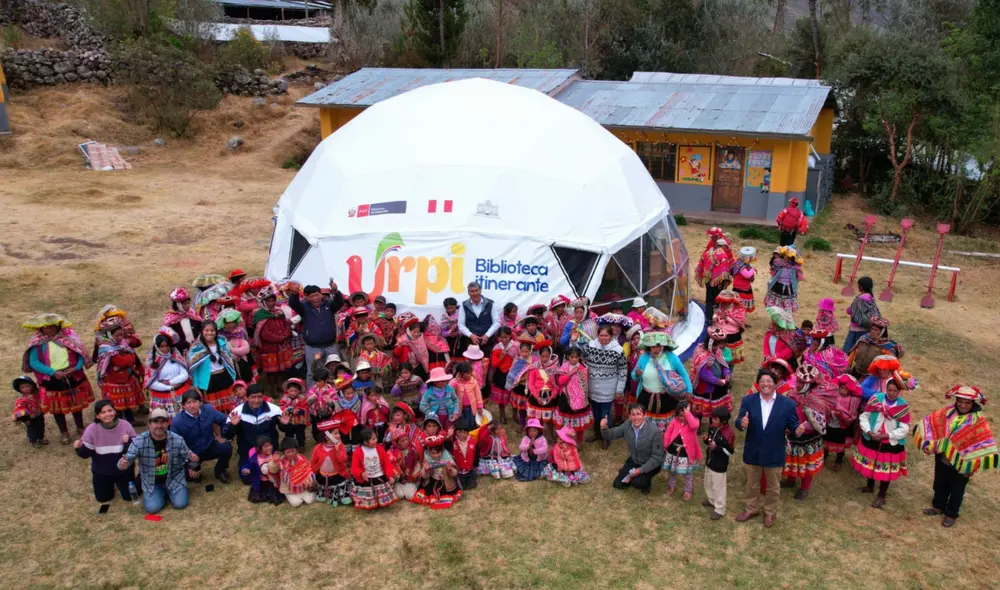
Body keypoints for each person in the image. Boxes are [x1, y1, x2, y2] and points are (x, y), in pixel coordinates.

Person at [914, 385, 998, 528]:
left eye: (967, 403)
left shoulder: (978, 421)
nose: (963, 405)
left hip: (963, 463)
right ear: (956, 400)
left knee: (957, 489)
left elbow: (982, 444)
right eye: (960, 401)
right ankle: (938, 505)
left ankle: (951, 514)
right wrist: (929, 444)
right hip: (943, 458)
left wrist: (972, 466)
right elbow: (931, 424)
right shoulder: (947, 413)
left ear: (973, 404)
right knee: (939, 483)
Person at [735, 370, 806, 528]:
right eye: (762, 381)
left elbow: (793, 425)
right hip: (753, 450)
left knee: (773, 486)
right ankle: (751, 508)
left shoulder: (787, 404)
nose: (765, 384)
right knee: (752, 483)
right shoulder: (748, 400)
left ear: (775, 384)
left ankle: (770, 512)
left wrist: (798, 430)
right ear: (758, 383)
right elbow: (739, 420)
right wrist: (741, 423)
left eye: (769, 381)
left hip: (774, 452)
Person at [22, 313, 94, 444]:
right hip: (52, 379)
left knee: (76, 404)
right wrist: (53, 372)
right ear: (41, 328)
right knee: (57, 408)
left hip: (72, 375)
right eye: (46, 327)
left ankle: (80, 427)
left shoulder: (69, 339)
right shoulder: (38, 343)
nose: (49, 329)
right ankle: (64, 432)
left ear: (58, 326)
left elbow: (80, 355)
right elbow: (34, 362)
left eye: (52, 326)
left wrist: (76, 368)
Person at [119, 408, 199, 514]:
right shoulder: (139, 441)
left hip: (174, 479)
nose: (159, 425)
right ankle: (160, 494)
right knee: (152, 509)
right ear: (149, 424)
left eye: (163, 422)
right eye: (156, 422)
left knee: (181, 504)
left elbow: (188, 457)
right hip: (152, 482)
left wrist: (194, 460)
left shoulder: (177, 439)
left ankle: (170, 493)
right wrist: (122, 464)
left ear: (167, 423)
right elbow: (126, 460)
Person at [851, 372, 910, 509]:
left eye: (895, 391)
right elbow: (864, 416)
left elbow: (905, 428)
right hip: (872, 437)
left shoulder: (902, 406)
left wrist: (887, 436)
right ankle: (869, 486)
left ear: (899, 391)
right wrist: (868, 431)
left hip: (889, 441)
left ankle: (882, 495)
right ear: (886, 389)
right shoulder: (876, 399)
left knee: (886, 469)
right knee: (871, 463)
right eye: (889, 390)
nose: (892, 393)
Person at [781, 364, 835, 501]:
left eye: (801, 382)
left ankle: (804, 488)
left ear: (809, 384)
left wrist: (805, 426)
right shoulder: (793, 393)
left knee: (806, 462)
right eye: (797, 381)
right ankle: (791, 479)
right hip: (792, 433)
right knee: (791, 459)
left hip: (808, 438)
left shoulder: (816, 399)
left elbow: (819, 422)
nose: (797, 384)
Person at [75, 400, 137, 507]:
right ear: (98, 416)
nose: (108, 414)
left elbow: (135, 449)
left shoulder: (125, 425)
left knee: (129, 497)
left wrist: (127, 443)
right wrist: (78, 448)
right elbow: (85, 455)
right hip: (102, 471)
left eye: (110, 410)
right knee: (103, 499)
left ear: (115, 411)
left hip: (123, 470)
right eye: (103, 412)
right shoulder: (91, 429)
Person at [286, 280, 345, 388]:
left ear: (321, 294)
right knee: (312, 372)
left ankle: (335, 392)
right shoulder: (304, 307)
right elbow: (293, 304)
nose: (315, 298)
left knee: (335, 369)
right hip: (313, 347)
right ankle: (313, 395)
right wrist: (294, 294)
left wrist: (335, 291)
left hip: (330, 345)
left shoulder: (328, 304)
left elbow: (339, 302)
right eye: (312, 296)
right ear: (307, 297)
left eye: (317, 295)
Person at [632, 332, 691, 432]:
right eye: (653, 346)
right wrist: (637, 374)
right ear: (648, 346)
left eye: (658, 346)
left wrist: (689, 390)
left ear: (664, 345)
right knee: (646, 429)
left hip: (667, 399)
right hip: (646, 397)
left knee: (666, 429)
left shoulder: (671, 358)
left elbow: (684, 374)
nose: (655, 349)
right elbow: (634, 376)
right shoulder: (644, 358)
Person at [169, 390, 233, 483]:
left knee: (226, 447)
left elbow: (224, 420)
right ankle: (192, 469)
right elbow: (174, 445)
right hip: (192, 453)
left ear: (200, 402)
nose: (192, 405)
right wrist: (187, 458)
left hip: (210, 446)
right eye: (188, 403)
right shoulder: (177, 422)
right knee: (194, 478)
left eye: (195, 402)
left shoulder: (208, 409)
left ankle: (220, 470)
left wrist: (222, 436)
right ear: (183, 406)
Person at [225, 383, 291, 473]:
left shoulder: (274, 409)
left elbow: (285, 429)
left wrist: (285, 424)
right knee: (247, 477)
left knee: (274, 472)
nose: (256, 400)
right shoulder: (236, 412)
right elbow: (228, 436)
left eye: (259, 397)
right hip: (248, 451)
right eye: (253, 397)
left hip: (269, 450)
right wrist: (233, 425)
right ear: (247, 398)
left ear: (263, 397)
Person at [602, 404, 664, 495]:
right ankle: (629, 474)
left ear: (645, 415)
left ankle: (645, 481)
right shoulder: (627, 424)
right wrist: (604, 428)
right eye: (633, 414)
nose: (636, 417)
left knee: (638, 483)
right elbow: (611, 435)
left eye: (638, 414)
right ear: (629, 416)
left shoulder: (655, 431)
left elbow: (657, 457)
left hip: (650, 463)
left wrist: (640, 470)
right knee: (618, 484)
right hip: (634, 460)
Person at [582, 326, 629, 446]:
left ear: (611, 336)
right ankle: (597, 434)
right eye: (601, 335)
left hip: (608, 388)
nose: (603, 338)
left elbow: (623, 370)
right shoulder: (591, 346)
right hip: (593, 386)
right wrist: (573, 340)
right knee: (595, 413)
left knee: (605, 413)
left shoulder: (618, 350)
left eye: (606, 335)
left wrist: (619, 389)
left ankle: (606, 437)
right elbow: (581, 358)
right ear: (597, 335)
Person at [94, 316, 145, 424]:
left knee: (126, 403)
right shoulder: (106, 349)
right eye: (117, 335)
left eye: (122, 335)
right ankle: (119, 423)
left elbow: (135, 347)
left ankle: (130, 420)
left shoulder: (122, 344)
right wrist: (130, 356)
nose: (120, 338)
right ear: (109, 335)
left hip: (125, 379)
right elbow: (124, 361)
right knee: (117, 405)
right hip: (115, 382)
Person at [252, 286, 296, 395]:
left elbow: (286, 324)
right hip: (269, 348)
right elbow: (265, 334)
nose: (271, 303)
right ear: (263, 302)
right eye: (268, 301)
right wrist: (280, 338)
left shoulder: (279, 312)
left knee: (281, 369)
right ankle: (272, 389)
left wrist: (286, 334)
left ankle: (279, 385)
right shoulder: (260, 315)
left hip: (281, 346)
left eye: (273, 300)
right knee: (271, 371)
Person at [188, 323, 239, 413]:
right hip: (208, 381)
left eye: (212, 330)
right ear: (202, 331)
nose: (209, 333)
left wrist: (233, 376)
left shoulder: (222, 342)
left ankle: (229, 425)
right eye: (206, 330)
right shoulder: (196, 347)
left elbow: (229, 360)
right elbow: (194, 368)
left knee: (230, 407)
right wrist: (196, 385)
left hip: (225, 377)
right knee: (213, 411)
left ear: (216, 332)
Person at [661, 401, 702, 501]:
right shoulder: (675, 421)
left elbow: (694, 426)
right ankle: (671, 486)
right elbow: (668, 432)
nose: (682, 418)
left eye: (685, 416)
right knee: (672, 470)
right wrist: (666, 444)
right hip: (673, 450)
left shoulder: (694, 422)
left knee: (687, 473)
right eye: (680, 416)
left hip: (686, 453)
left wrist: (688, 414)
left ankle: (688, 490)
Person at [689, 327, 732, 422]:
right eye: (715, 345)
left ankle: (713, 425)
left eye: (718, 345)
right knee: (698, 411)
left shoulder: (717, 352)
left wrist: (726, 373)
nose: (717, 348)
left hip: (717, 387)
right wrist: (717, 381)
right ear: (709, 343)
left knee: (715, 410)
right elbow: (703, 373)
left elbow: (723, 363)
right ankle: (696, 424)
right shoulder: (701, 353)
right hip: (704, 388)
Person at [145, 330, 190, 419]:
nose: (165, 349)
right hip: (162, 396)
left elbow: (184, 374)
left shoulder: (175, 357)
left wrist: (169, 382)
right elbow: (152, 383)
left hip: (180, 391)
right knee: (164, 419)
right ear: (157, 347)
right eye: (162, 346)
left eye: (167, 346)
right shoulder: (152, 362)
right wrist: (169, 388)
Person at [393, 312, 451, 381]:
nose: (417, 334)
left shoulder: (420, 340)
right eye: (414, 332)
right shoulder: (402, 341)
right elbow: (396, 353)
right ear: (408, 331)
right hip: (406, 365)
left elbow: (423, 353)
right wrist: (399, 346)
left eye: (418, 332)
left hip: (418, 365)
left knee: (418, 378)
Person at [350, 427, 398, 510]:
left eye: (376, 438)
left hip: (379, 476)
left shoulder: (379, 448)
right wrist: (361, 473)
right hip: (367, 479)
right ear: (365, 442)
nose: (376, 440)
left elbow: (387, 463)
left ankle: (380, 501)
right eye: (373, 439)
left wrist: (390, 475)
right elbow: (354, 467)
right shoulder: (358, 451)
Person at [309, 418, 354, 506]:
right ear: (327, 436)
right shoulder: (318, 448)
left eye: (339, 433)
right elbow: (313, 463)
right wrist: (312, 475)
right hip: (323, 476)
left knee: (345, 496)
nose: (339, 435)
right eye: (336, 433)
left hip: (337, 475)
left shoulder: (341, 447)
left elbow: (343, 460)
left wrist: (337, 450)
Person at [554, 346, 592, 444]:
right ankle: (565, 440)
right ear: (568, 357)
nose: (574, 359)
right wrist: (570, 373)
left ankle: (579, 442)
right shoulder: (565, 367)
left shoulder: (583, 367)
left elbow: (585, 384)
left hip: (581, 399)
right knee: (566, 423)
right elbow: (560, 381)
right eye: (572, 357)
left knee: (579, 424)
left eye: (576, 357)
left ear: (579, 357)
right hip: (566, 398)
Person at [412, 434, 462, 509]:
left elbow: (455, 474)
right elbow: (424, 476)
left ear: (442, 451)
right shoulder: (426, 457)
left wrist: (450, 469)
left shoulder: (446, 456)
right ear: (429, 451)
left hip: (446, 482)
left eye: (438, 453)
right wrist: (425, 469)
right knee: (428, 492)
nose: (436, 456)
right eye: (433, 453)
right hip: (432, 481)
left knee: (448, 492)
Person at [824, 374, 862, 471]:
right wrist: (831, 412)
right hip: (830, 423)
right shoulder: (832, 395)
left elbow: (852, 414)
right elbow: (826, 406)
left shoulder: (853, 400)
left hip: (841, 426)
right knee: (826, 440)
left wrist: (841, 415)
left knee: (840, 443)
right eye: (842, 388)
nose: (843, 391)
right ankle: (824, 456)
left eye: (846, 389)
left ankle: (838, 461)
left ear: (850, 390)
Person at [703, 407, 735, 520]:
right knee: (708, 482)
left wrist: (716, 448)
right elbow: (710, 439)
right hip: (710, 461)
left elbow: (729, 452)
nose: (712, 420)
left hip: (720, 464)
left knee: (718, 486)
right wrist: (706, 440)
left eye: (715, 419)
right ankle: (711, 500)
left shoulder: (728, 433)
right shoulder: (712, 427)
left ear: (723, 421)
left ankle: (720, 508)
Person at [267, 438, 316, 507]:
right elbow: (272, 470)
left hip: (303, 485)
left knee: (309, 500)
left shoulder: (301, 458)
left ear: (297, 450)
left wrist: (309, 481)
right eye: (288, 452)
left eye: (293, 451)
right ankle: (296, 495)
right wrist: (274, 462)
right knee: (296, 503)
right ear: (284, 452)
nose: (291, 454)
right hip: (288, 488)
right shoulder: (281, 461)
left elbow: (307, 470)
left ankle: (302, 493)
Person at [696, 236, 735, 323]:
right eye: (726, 247)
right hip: (717, 282)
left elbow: (701, 263)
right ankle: (718, 318)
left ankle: (708, 318)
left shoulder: (707, 252)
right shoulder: (722, 255)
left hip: (707, 279)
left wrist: (702, 274)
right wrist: (723, 281)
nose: (726, 249)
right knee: (719, 299)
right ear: (723, 246)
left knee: (709, 299)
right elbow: (724, 270)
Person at [457, 281, 500, 354]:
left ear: (480, 290)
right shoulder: (464, 305)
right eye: (472, 291)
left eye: (477, 290)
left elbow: (497, 322)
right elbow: (460, 324)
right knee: (471, 365)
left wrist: (487, 335)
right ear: (468, 293)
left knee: (487, 363)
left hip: (488, 342)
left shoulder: (490, 303)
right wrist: (471, 335)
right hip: (471, 342)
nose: (475, 293)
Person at [843, 277, 881, 353]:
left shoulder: (860, 298)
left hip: (856, 330)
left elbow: (851, 310)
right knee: (861, 349)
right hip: (866, 329)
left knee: (848, 350)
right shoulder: (870, 298)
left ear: (861, 287)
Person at [216, 309, 254, 384]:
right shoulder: (220, 337)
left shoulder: (239, 333)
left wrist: (231, 350)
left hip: (242, 362)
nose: (231, 326)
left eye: (232, 323)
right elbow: (221, 351)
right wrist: (233, 353)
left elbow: (246, 348)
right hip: (229, 365)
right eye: (228, 324)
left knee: (246, 380)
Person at [242, 436, 283, 505]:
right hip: (262, 481)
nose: (269, 447)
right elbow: (246, 466)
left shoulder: (274, 454)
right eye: (266, 446)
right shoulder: (254, 458)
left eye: (270, 445)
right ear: (259, 448)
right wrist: (246, 470)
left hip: (274, 480)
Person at [489, 327, 518, 425]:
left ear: (510, 336)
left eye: (506, 337)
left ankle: (515, 415)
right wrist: (501, 356)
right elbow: (494, 364)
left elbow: (519, 360)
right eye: (501, 337)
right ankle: (502, 415)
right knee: (501, 396)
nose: (504, 339)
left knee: (514, 395)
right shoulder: (497, 348)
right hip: (501, 374)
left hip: (512, 373)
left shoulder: (515, 346)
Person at [162, 288, 203, 355]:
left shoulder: (192, 314)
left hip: (198, 348)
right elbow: (173, 337)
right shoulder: (170, 320)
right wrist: (188, 345)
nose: (188, 306)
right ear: (178, 304)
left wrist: (197, 342)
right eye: (185, 304)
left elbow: (201, 328)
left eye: (188, 303)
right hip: (181, 352)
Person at [764, 246, 804, 313]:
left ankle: (783, 320)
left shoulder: (795, 268)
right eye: (786, 255)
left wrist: (798, 270)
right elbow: (773, 272)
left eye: (789, 256)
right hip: (777, 286)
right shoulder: (779, 263)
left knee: (786, 308)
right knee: (774, 307)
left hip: (788, 289)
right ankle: (774, 321)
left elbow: (800, 278)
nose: (787, 257)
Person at [419, 367, 460, 432]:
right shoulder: (429, 392)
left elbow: (456, 400)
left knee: (449, 431)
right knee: (438, 432)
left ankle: (448, 441)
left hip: (450, 415)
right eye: (442, 381)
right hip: (436, 417)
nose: (444, 382)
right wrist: (430, 413)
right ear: (435, 382)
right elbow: (422, 406)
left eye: (444, 380)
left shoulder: (449, 389)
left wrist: (455, 411)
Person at [388, 426, 423, 501]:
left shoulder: (414, 448)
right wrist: (400, 477)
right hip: (399, 479)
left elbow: (419, 464)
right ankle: (400, 486)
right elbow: (392, 467)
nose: (406, 442)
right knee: (400, 495)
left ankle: (410, 486)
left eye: (406, 439)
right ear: (396, 443)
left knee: (409, 496)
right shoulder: (392, 452)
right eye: (402, 441)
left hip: (411, 477)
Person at [12, 375, 46, 448]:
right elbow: (20, 410)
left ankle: (40, 438)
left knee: (41, 427)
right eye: (22, 387)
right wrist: (25, 420)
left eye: (27, 386)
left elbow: (43, 399)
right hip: (29, 418)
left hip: (39, 415)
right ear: (19, 389)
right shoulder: (21, 400)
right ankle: (33, 441)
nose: (25, 389)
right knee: (32, 430)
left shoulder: (37, 394)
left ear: (32, 386)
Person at [713, 290, 746, 365]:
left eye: (727, 302)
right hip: (720, 333)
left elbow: (738, 323)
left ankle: (729, 372)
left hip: (732, 336)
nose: (724, 304)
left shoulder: (739, 309)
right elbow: (717, 313)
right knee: (718, 357)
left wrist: (727, 318)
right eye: (723, 301)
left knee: (730, 359)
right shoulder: (722, 306)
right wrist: (715, 317)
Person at [451, 360, 484, 425]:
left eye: (470, 373)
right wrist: (456, 381)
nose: (469, 375)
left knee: (470, 422)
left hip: (470, 408)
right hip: (459, 408)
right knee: (461, 423)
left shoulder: (473, 382)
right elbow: (449, 390)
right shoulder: (455, 382)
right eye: (467, 373)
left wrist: (480, 407)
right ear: (460, 374)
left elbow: (478, 395)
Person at [279, 378, 309, 449]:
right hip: (289, 421)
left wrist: (300, 410)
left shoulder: (302, 399)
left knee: (300, 434)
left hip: (300, 421)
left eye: (295, 391)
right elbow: (281, 407)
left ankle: (301, 445)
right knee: (289, 434)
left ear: (299, 391)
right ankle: (289, 446)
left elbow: (306, 407)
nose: (293, 393)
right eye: (291, 390)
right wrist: (289, 410)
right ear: (287, 390)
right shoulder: (284, 399)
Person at [306, 368, 335, 443]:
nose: (317, 383)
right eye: (316, 381)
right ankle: (318, 441)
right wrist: (312, 398)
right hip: (315, 414)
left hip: (327, 414)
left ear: (326, 380)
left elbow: (335, 402)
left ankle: (325, 441)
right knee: (315, 429)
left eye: (319, 381)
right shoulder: (313, 389)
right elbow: (307, 401)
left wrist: (329, 401)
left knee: (326, 428)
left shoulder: (331, 390)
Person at [451, 420, 478, 490]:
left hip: (470, 469)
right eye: (459, 432)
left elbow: (476, 455)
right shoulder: (453, 443)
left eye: (464, 432)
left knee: (471, 486)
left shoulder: (473, 442)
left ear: (467, 433)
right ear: (455, 432)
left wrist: (475, 466)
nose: (462, 434)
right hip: (459, 471)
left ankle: (472, 478)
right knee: (461, 487)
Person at [731, 246, 757, 317]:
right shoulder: (742, 266)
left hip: (739, 287)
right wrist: (753, 269)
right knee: (742, 307)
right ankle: (739, 322)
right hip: (742, 289)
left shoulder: (738, 263)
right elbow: (747, 275)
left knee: (739, 307)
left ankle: (739, 321)